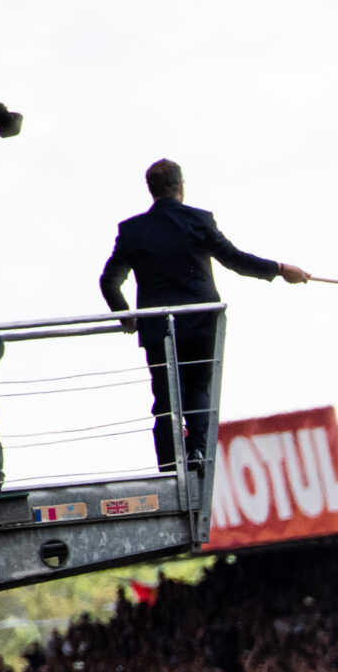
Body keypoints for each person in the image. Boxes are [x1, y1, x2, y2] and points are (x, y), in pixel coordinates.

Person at [100, 159, 312, 472]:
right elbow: (236, 261)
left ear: (151, 190)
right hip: (201, 321)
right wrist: (280, 269)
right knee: (198, 388)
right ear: (181, 186)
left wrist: (125, 315)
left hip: (157, 326)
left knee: (165, 399)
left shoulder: (132, 231)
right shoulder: (199, 220)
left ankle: (170, 466)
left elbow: (109, 281)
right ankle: (197, 450)